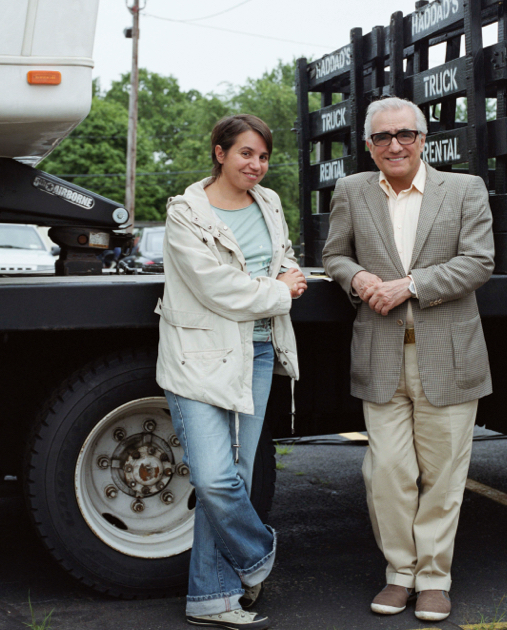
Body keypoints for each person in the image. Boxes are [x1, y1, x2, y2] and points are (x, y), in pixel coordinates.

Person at [322, 96, 494, 622]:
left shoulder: (464, 189)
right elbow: (334, 254)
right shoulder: (351, 190)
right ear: (369, 146)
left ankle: (435, 578)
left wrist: (411, 286)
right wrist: (358, 277)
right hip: (380, 355)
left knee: (443, 475)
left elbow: (479, 262)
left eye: (405, 135)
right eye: (382, 138)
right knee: (388, 472)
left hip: (449, 354)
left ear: (423, 138)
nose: (394, 145)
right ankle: (400, 573)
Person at [156, 114, 307, 630]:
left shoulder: (269, 202)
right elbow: (214, 286)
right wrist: (280, 292)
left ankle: (211, 598)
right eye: (246, 153)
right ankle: (256, 555)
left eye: (263, 156)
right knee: (215, 478)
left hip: (257, 353)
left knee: (237, 476)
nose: (257, 165)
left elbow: (278, 254)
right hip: (198, 356)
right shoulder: (186, 215)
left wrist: (290, 271)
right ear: (220, 153)